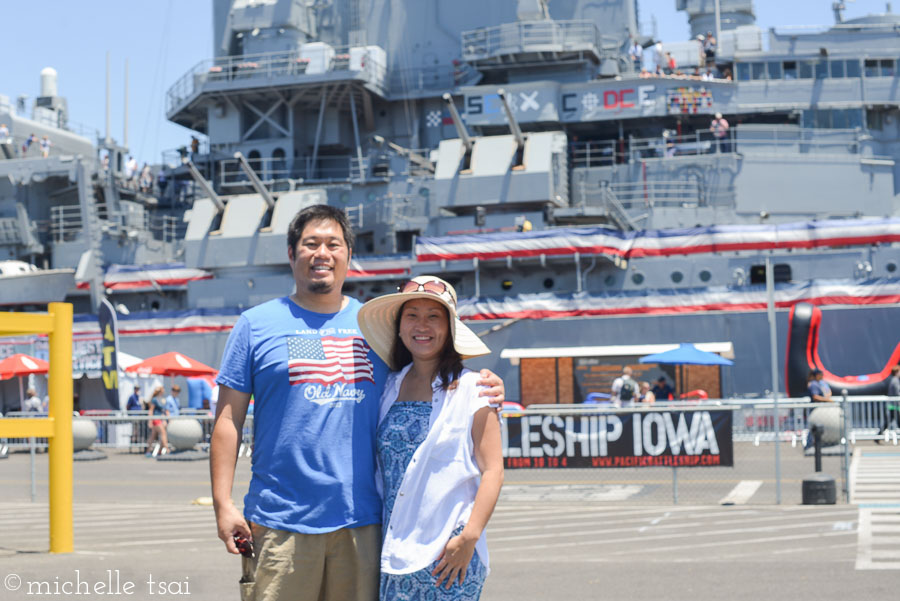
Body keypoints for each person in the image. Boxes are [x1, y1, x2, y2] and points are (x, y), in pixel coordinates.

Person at [210, 204, 504, 601]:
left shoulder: (375, 330)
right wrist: (223, 503)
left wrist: (484, 385)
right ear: (291, 253)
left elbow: (428, 370)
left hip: (364, 524)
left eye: (333, 243)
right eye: (310, 243)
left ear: (349, 254)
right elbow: (228, 420)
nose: (322, 253)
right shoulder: (254, 325)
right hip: (280, 522)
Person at [356, 276, 503, 599]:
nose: (422, 325)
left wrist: (469, 537)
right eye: (412, 315)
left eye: (433, 316)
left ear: (450, 328)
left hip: (450, 553)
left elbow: (493, 469)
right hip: (394, 551)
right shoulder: (387, 388)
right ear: (399, 327)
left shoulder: (475, 389)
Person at [876, 365, 900, 442]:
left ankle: (877, 436)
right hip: (894, 406)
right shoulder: (895, 380)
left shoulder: (894, 380)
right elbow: (897, 392)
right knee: (894, 422)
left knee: (888, 422)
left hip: (893, 405)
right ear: (896, 372)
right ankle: (877, 436)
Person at [146, 386, 170, 455]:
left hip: (161, 419)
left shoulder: (162, 399)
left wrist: (166, 419)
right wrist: (150, 421)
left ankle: (149, 451)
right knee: (163, 433)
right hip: (156, 419)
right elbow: (151, 410)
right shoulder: (154, 399)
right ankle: (167, 450)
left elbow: (164, 410)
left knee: (153, 436)